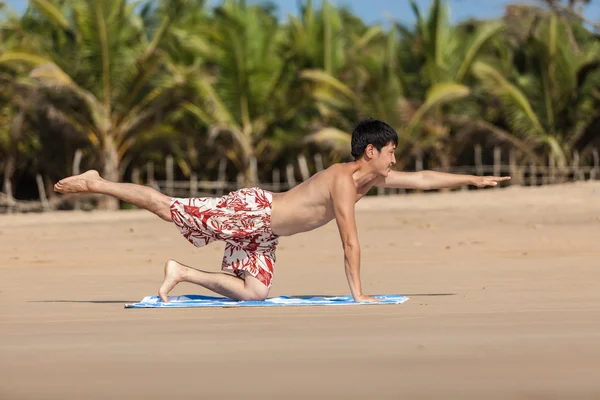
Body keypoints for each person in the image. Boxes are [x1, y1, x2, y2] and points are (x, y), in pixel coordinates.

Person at [54, 118, 510, 303]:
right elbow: (349, 239)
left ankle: (181, 272)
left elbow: (426, 178)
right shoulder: (341, 181)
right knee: (166, 206)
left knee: (254, 293)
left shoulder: (372, 176)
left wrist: (474, 179)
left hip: (266, 233)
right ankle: (97, 182)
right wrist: (358, 295)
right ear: (369, 151)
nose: (396, 159)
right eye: (391, 151)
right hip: (251, 213)